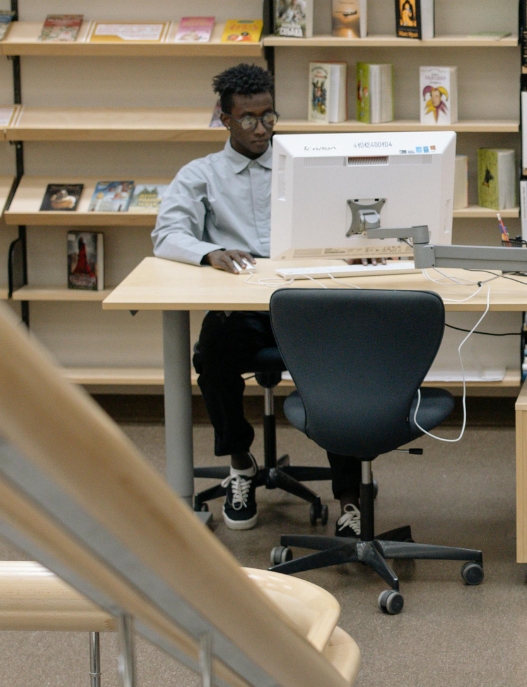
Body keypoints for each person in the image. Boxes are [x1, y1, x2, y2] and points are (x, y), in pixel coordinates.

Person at [151, 63, 366, 536]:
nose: (261, 128)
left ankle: (350, 499)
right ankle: (240, 463)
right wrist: (209, 251)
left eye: (268, 115)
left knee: (340, 371)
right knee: (212, 355)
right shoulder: (201, 175)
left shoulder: (304, 165)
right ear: (224, 119)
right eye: (248, 117)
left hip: (303, 305)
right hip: (243, 309)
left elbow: (349, 219)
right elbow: (165, 234)